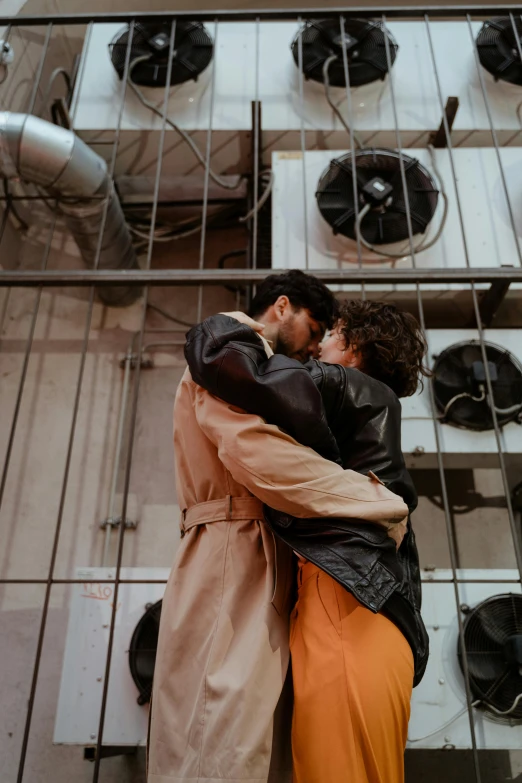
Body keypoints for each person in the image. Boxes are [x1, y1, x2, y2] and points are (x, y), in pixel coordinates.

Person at [147, 272, 409, 783]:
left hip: (266, 542)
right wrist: (372, 500)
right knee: (219, 721)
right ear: (282, 307)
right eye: (314, 330)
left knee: (246, 731)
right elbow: (256, 455)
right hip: (234, 538)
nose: (315, 347)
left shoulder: (265, 372)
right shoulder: (235, 350)